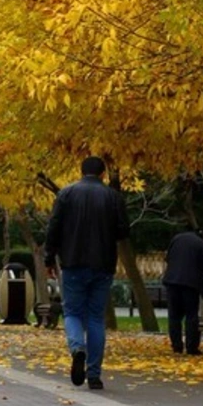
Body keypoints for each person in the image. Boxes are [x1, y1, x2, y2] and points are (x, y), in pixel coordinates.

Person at [45, 156, 129, 390]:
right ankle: (94, 374)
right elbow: (123, 231)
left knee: (71, 312)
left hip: (72, 262)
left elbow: (54, 227)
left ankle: (77, 348)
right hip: (102, 263)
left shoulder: (66, 194)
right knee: (95, 317)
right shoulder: (113, 197)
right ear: (103, 174)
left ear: (81, 172)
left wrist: (49, 258)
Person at [162, 228, 203, 355]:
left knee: (174, 316)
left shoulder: (177, 239)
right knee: (191, 315)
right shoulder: (202, 245)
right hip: (191, 284)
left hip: (172, 281)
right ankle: (191, 347)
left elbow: (168, 258)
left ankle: (177, 346)